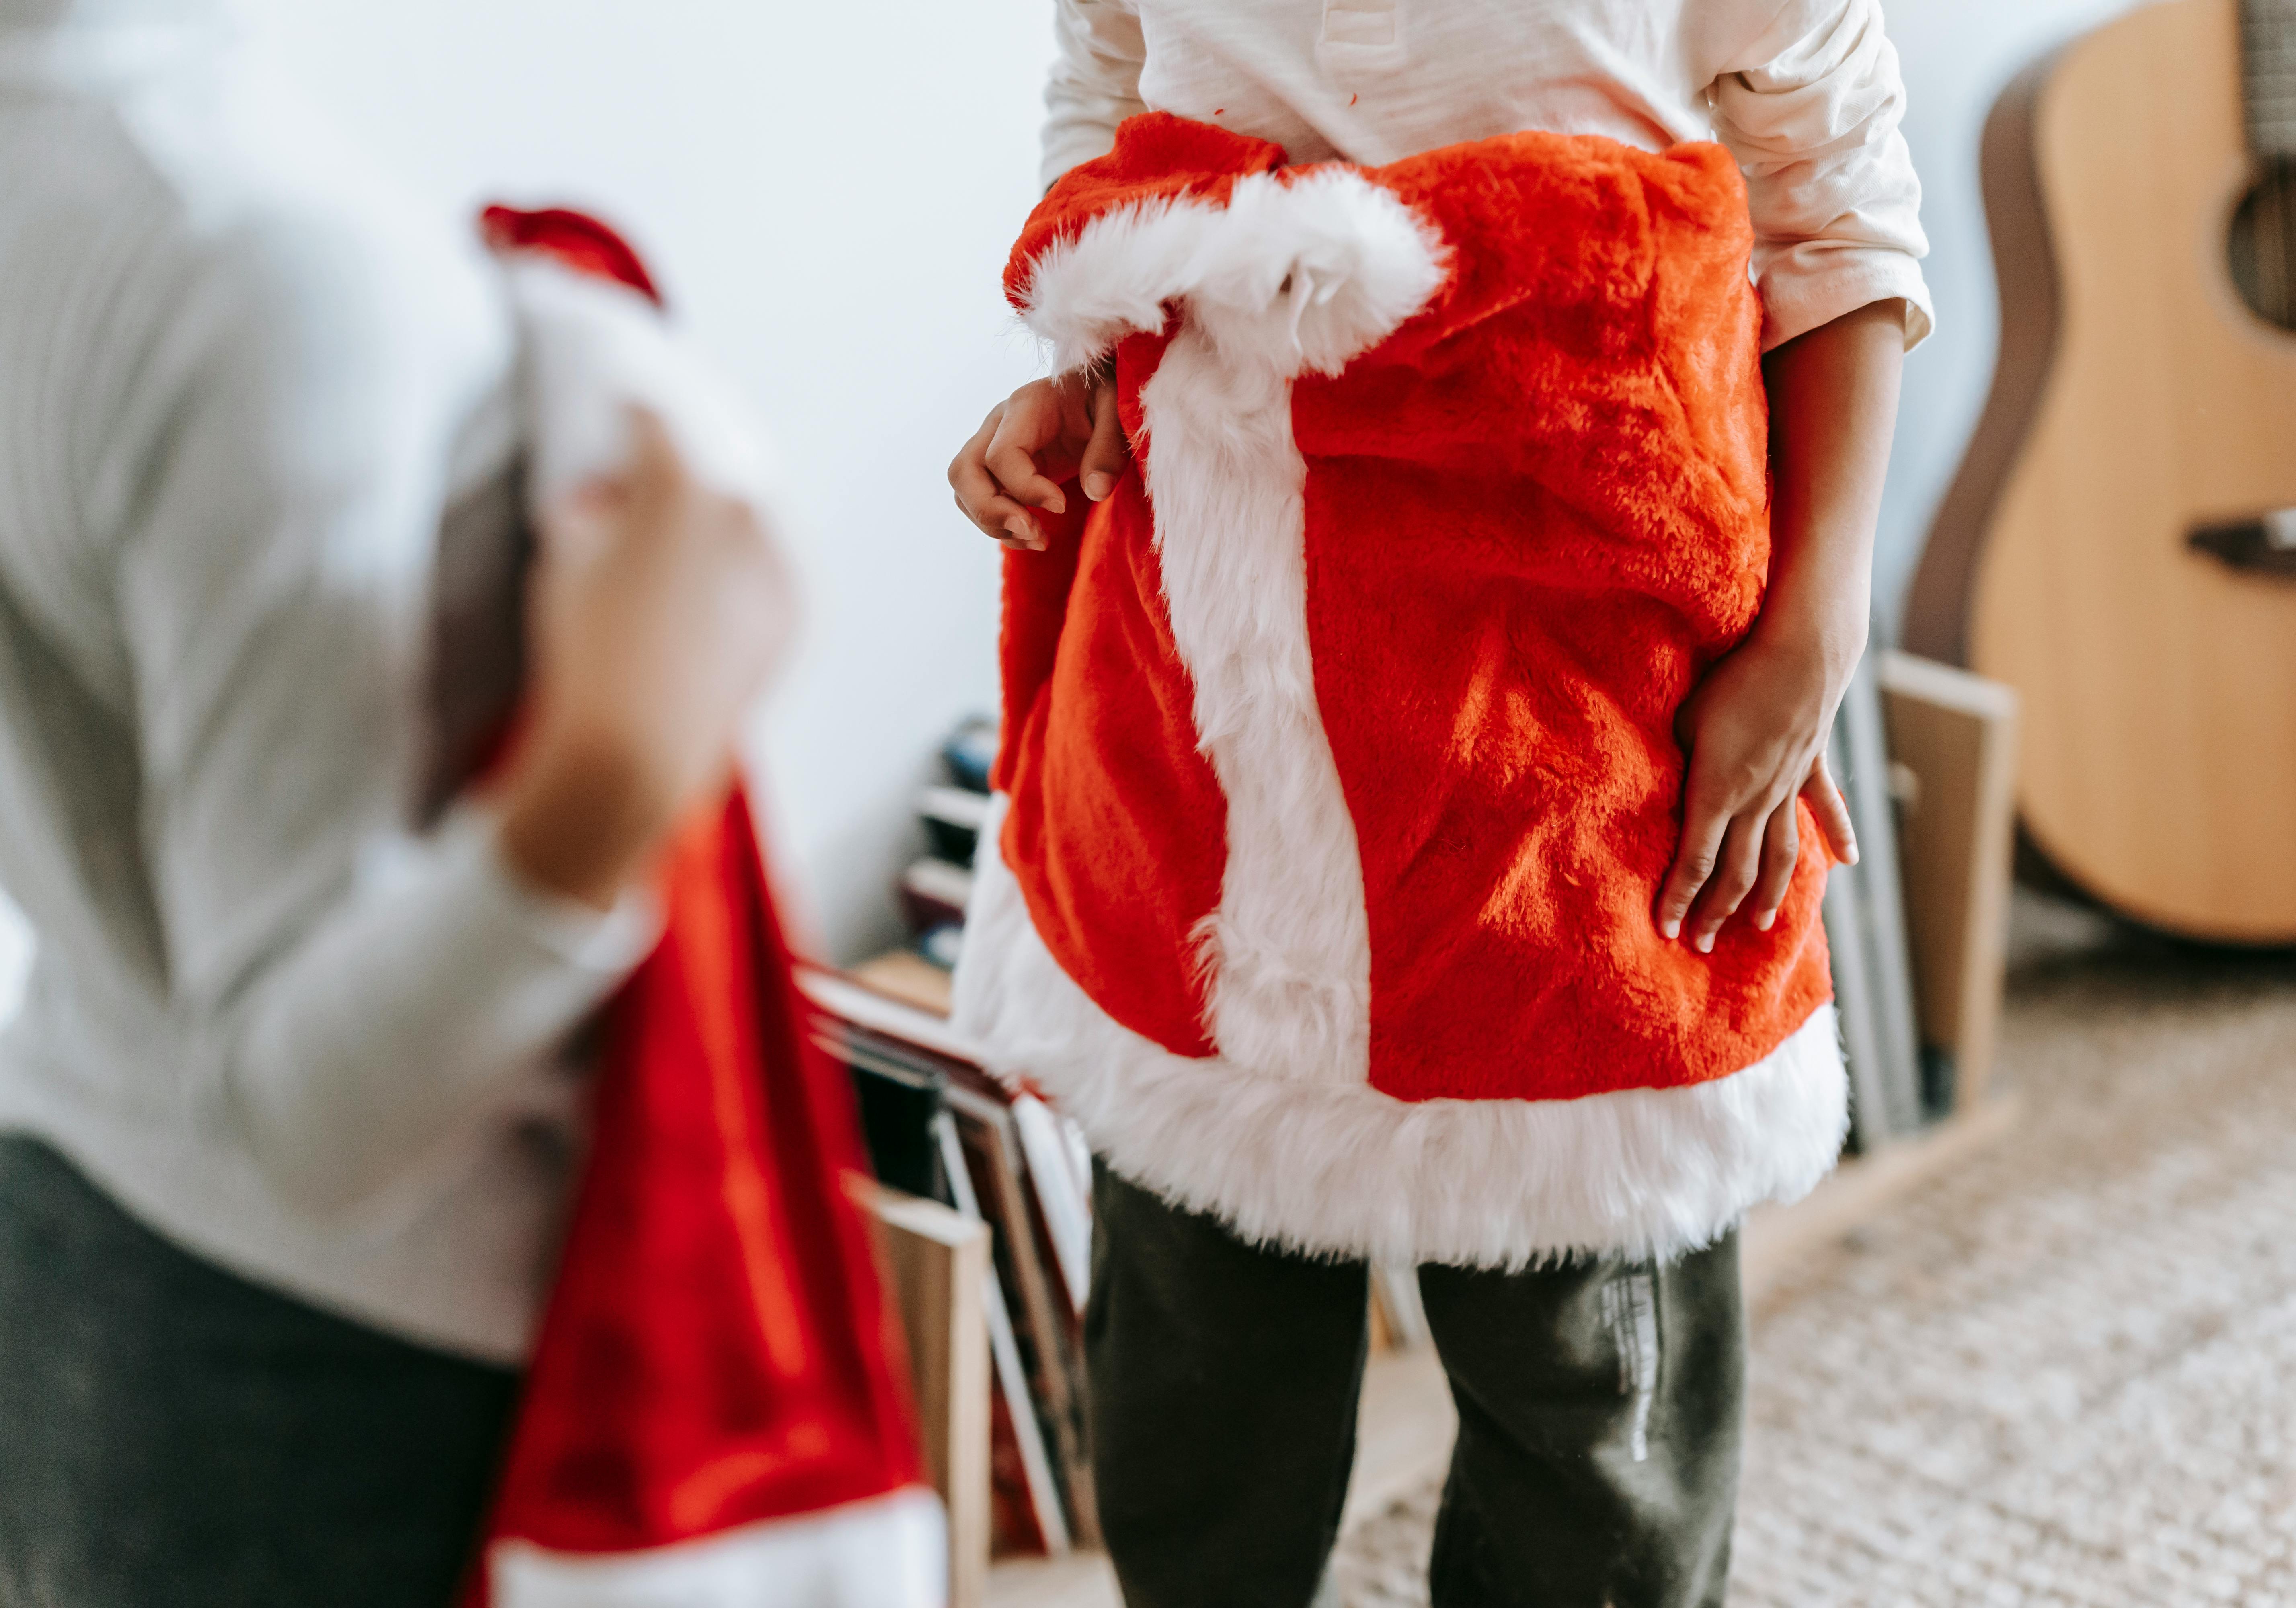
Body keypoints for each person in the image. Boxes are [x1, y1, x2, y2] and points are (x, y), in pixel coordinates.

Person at [946, 3, 1929, 1604]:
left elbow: (1837, 197)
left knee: (1589, 1396)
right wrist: (1080, 370)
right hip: (1210, 646)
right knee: (1196, 1354)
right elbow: (1113, 91)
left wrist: (1817, 624)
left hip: (1580, 674)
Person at [0, 2, 792, 1603]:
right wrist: (612, 775)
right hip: (325, 1376)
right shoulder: (234, 252)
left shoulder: (79, 171)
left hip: (86, 1218)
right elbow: (302, 1117)